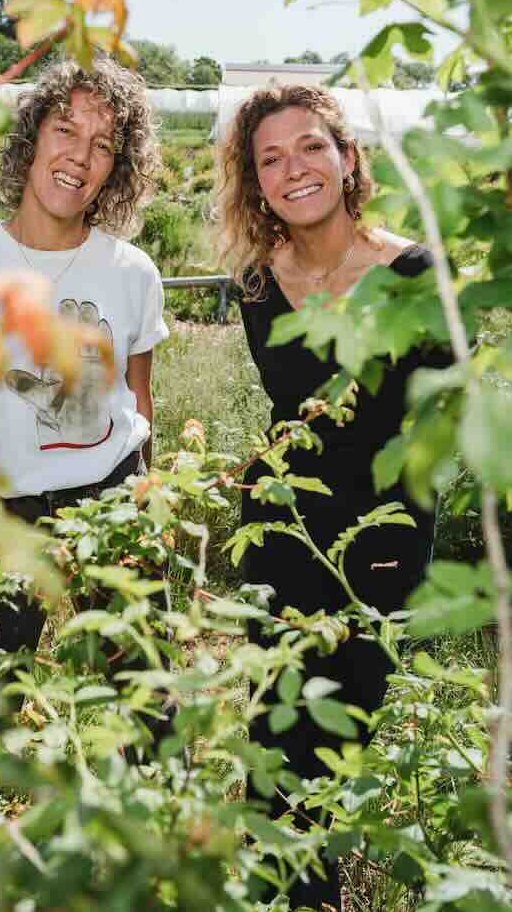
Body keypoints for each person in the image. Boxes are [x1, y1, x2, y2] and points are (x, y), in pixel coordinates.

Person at [216, 85, 445, 910]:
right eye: (269, 157)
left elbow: (438, 422)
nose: (293, 169)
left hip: (383, 537)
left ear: (349, 158)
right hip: (284, 530)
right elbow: (297, 408)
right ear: (255, 180)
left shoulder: (416, 272)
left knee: (339, 739)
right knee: (274, 745)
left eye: (311, 147)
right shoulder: (254, 283)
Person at [0, 57, 168, 677]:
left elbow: (140, 401)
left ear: (116, 169)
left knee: (143, 691)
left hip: (111, 501)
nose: (80, 155)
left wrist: (146, 505)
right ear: (31, 137)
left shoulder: (133, 273)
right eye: (65, 129)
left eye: (103, 144)